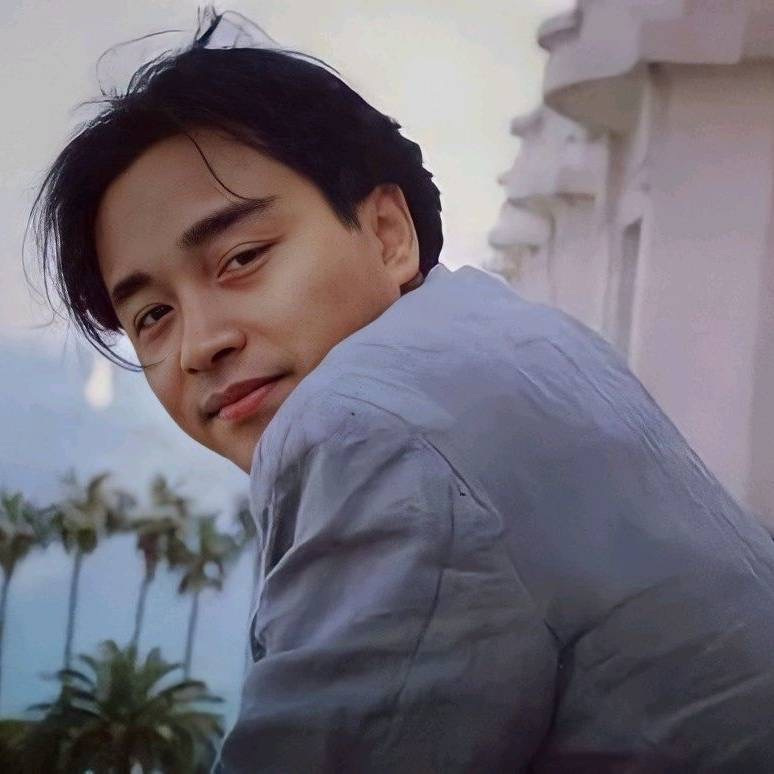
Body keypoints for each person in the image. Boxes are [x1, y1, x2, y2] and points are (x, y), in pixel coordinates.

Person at [29, 8, 774, 773]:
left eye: (242, 257)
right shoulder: (516, 333)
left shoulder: (366, 425)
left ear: (388, 233)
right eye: (153, 315)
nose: (199, 345)